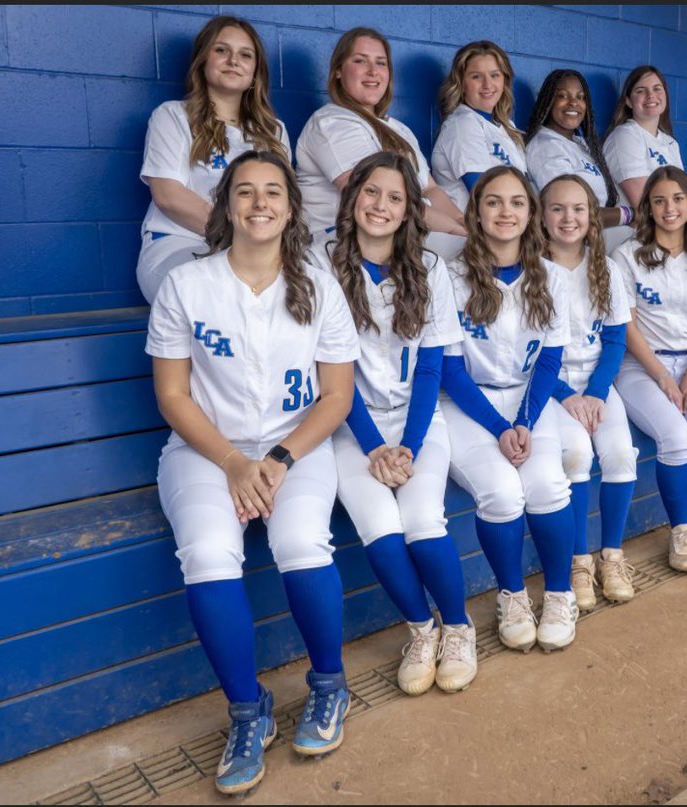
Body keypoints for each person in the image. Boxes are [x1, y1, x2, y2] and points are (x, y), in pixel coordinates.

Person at [146, 151, 360, 794]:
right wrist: (236, 463)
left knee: (299, 543)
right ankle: (247, 711)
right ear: (225, 206)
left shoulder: (319, 285)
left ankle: (328, 684)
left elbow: (337, 400)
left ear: (292, 208)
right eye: (244, 192)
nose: (259, 203)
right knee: (209, 554)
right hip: (207, 452)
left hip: (296, 447)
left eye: (273, 192)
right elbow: (173, 397)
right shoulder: (187, 284)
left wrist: (275, 460)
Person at [309, 152, 478, 695]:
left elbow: (432, 366)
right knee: (380, 530)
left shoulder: (428, 268)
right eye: (371, 192)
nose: (381, 205)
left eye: (396, 197)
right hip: (344, 421)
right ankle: (421, 630)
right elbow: (328, 375)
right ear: (352, 195)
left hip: (416, 422)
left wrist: (405, 444)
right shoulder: (318, 262)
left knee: (423, 520)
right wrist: (373, 447)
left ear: (410, 211)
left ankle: (457, 627)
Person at [441, 165, 579, 653]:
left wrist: (522, 421)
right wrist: (500, 427)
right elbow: (450, 372)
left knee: (546, 484)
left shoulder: (553, 277)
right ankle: (513, 594)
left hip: (528, 398)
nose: (506, 211)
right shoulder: (450, 276)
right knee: (501, 492)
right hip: (468, 403)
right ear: (476, 212)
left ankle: (560, 594)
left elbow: (550, 363)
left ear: (531, 213)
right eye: (493, 201)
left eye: (517, 202)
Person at [611, 165, 687, 575]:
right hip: (641, 365)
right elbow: (625, 326)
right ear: (647, 206)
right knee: (677, 438)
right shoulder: (626, 255)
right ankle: (681, 529)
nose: (669, 208)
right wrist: (663, 376)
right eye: (659, 200)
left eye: (678, 199)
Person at [136, 15, 291, 304]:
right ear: (203, 60)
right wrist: (243, 235)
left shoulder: (274, 131)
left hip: (253, 252)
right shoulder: (173, 116)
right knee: (223, 294)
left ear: (255, 72)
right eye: (221, 50)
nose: (234, 60)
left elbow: (283, 202)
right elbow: (168, 196)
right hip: (181, 246)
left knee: (306, 288)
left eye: (245, 55)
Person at [539, 175, 638, 610]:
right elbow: (528, 354)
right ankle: (579, 560)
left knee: (619, 452)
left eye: (579, 208)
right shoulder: (531, 269)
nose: (569, 217)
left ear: (592, 216)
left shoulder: (607, 267)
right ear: (541, 216)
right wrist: (566, 395)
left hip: (596, 384)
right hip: (549, 387)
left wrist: (597, 393)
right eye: (557, 208)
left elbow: (616, 340)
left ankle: (611, 556)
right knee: (576, 455)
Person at [294, 27, 465, 254]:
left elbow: (430, 189)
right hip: (342, 242)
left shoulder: (398, 128)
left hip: (400, 233)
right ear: (338, 70)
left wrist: (462, 221)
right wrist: (458, 232)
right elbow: (374, 195)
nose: (373, 71)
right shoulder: (332, 122)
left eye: (381, 63)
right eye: (360, 61)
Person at [524, 70, 630, 231]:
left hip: (595, 236)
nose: (574, 102)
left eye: (580, 97)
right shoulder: (546, 146)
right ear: (548, 101)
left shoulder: (580, 143)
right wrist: (629, 214)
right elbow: (570, 212)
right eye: (563, 96)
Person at [431, 40, 529, 212]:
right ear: (461, 83)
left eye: (495, 75)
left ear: (505, 79)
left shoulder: (507, 127)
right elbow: (482, 194)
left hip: (501, 227)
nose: (487, 84)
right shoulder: (463, 124)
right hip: (464, 234)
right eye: (476, 76)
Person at [602, 65, 683, 211]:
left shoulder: (670, 143)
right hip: (635, 230)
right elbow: (643, 205)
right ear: (628, 101)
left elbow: (683, 195)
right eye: (641, 90)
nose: (651, 95)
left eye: (657, 88)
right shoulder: (625, 136)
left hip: (668, 222)